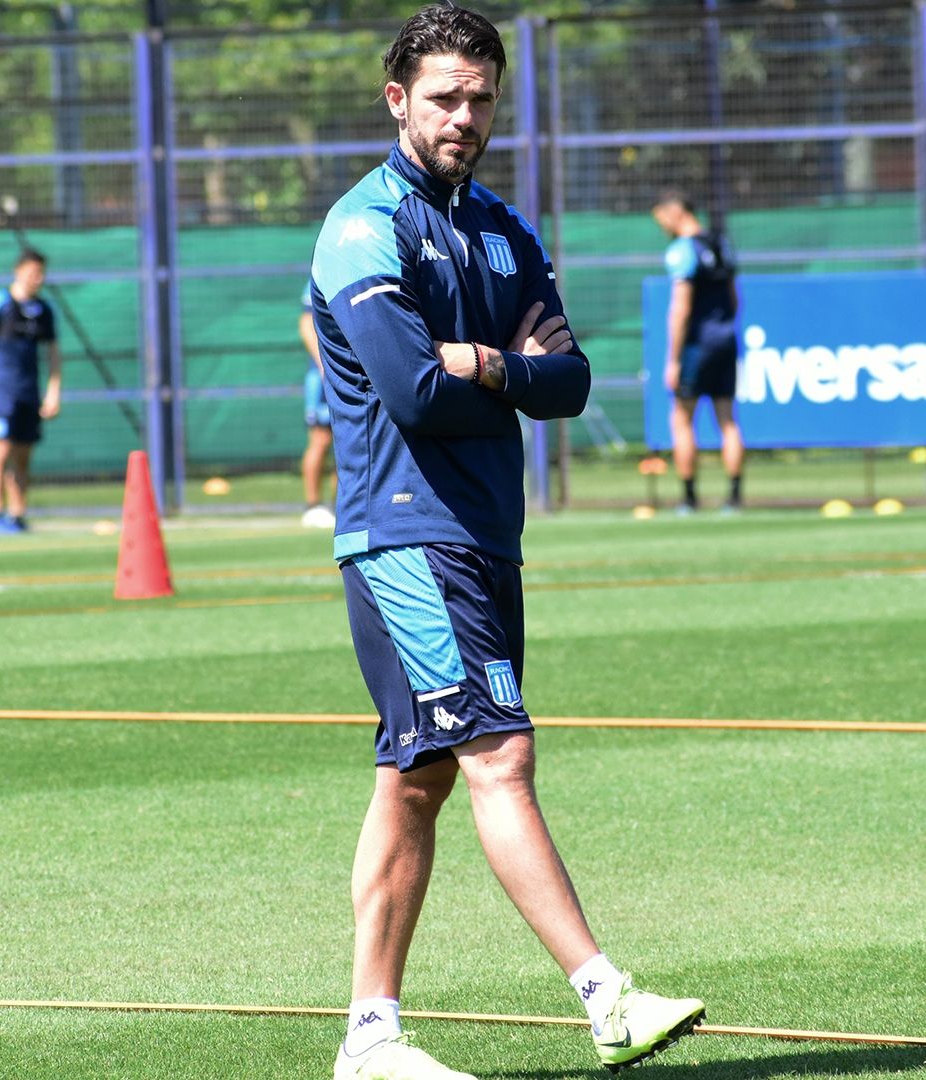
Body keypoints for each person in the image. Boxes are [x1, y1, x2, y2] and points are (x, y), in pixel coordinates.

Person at [310, 6, 704, 1078]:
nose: (465, 116)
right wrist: (498, 372)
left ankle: (371, 1042)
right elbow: (411, 393)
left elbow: (567, 383)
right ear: (398, 100)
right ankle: (606, 994)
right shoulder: (362, 226)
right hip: (406, 537)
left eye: (481, 98)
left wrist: (486, 364)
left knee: (416, 778)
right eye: (444, 97)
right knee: (500, 753)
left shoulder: (500, 225)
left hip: (484, 535)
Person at [653, 189, 742, 514]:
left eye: (661, 218)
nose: (662, 225)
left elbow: (680, 309)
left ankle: (689, 499)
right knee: (727, 420)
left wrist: (673, 360)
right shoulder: (721, 243)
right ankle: (734, 497)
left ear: (674, 212)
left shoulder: (681, 250)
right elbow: (734, 299)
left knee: (681, 418)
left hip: (696, 345)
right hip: (726, 339)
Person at [0, 249, 62, 534]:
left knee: (23, 455)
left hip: (28, 391)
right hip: (1, 391)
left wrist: (53, 390)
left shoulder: (43, 310)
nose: (38, 279)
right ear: (18, 271)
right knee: (0, 451)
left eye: (41, 274)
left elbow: (53, 353)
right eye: (33, 273)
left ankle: (17, 514)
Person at [300, 279, 337, 529]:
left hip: (353, 375)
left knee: (353, 443)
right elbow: (305, 323)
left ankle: (340, 506)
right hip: (324, 379)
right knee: (320, 440)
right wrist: (324, 364)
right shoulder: (320, 277)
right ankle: (312, 506)